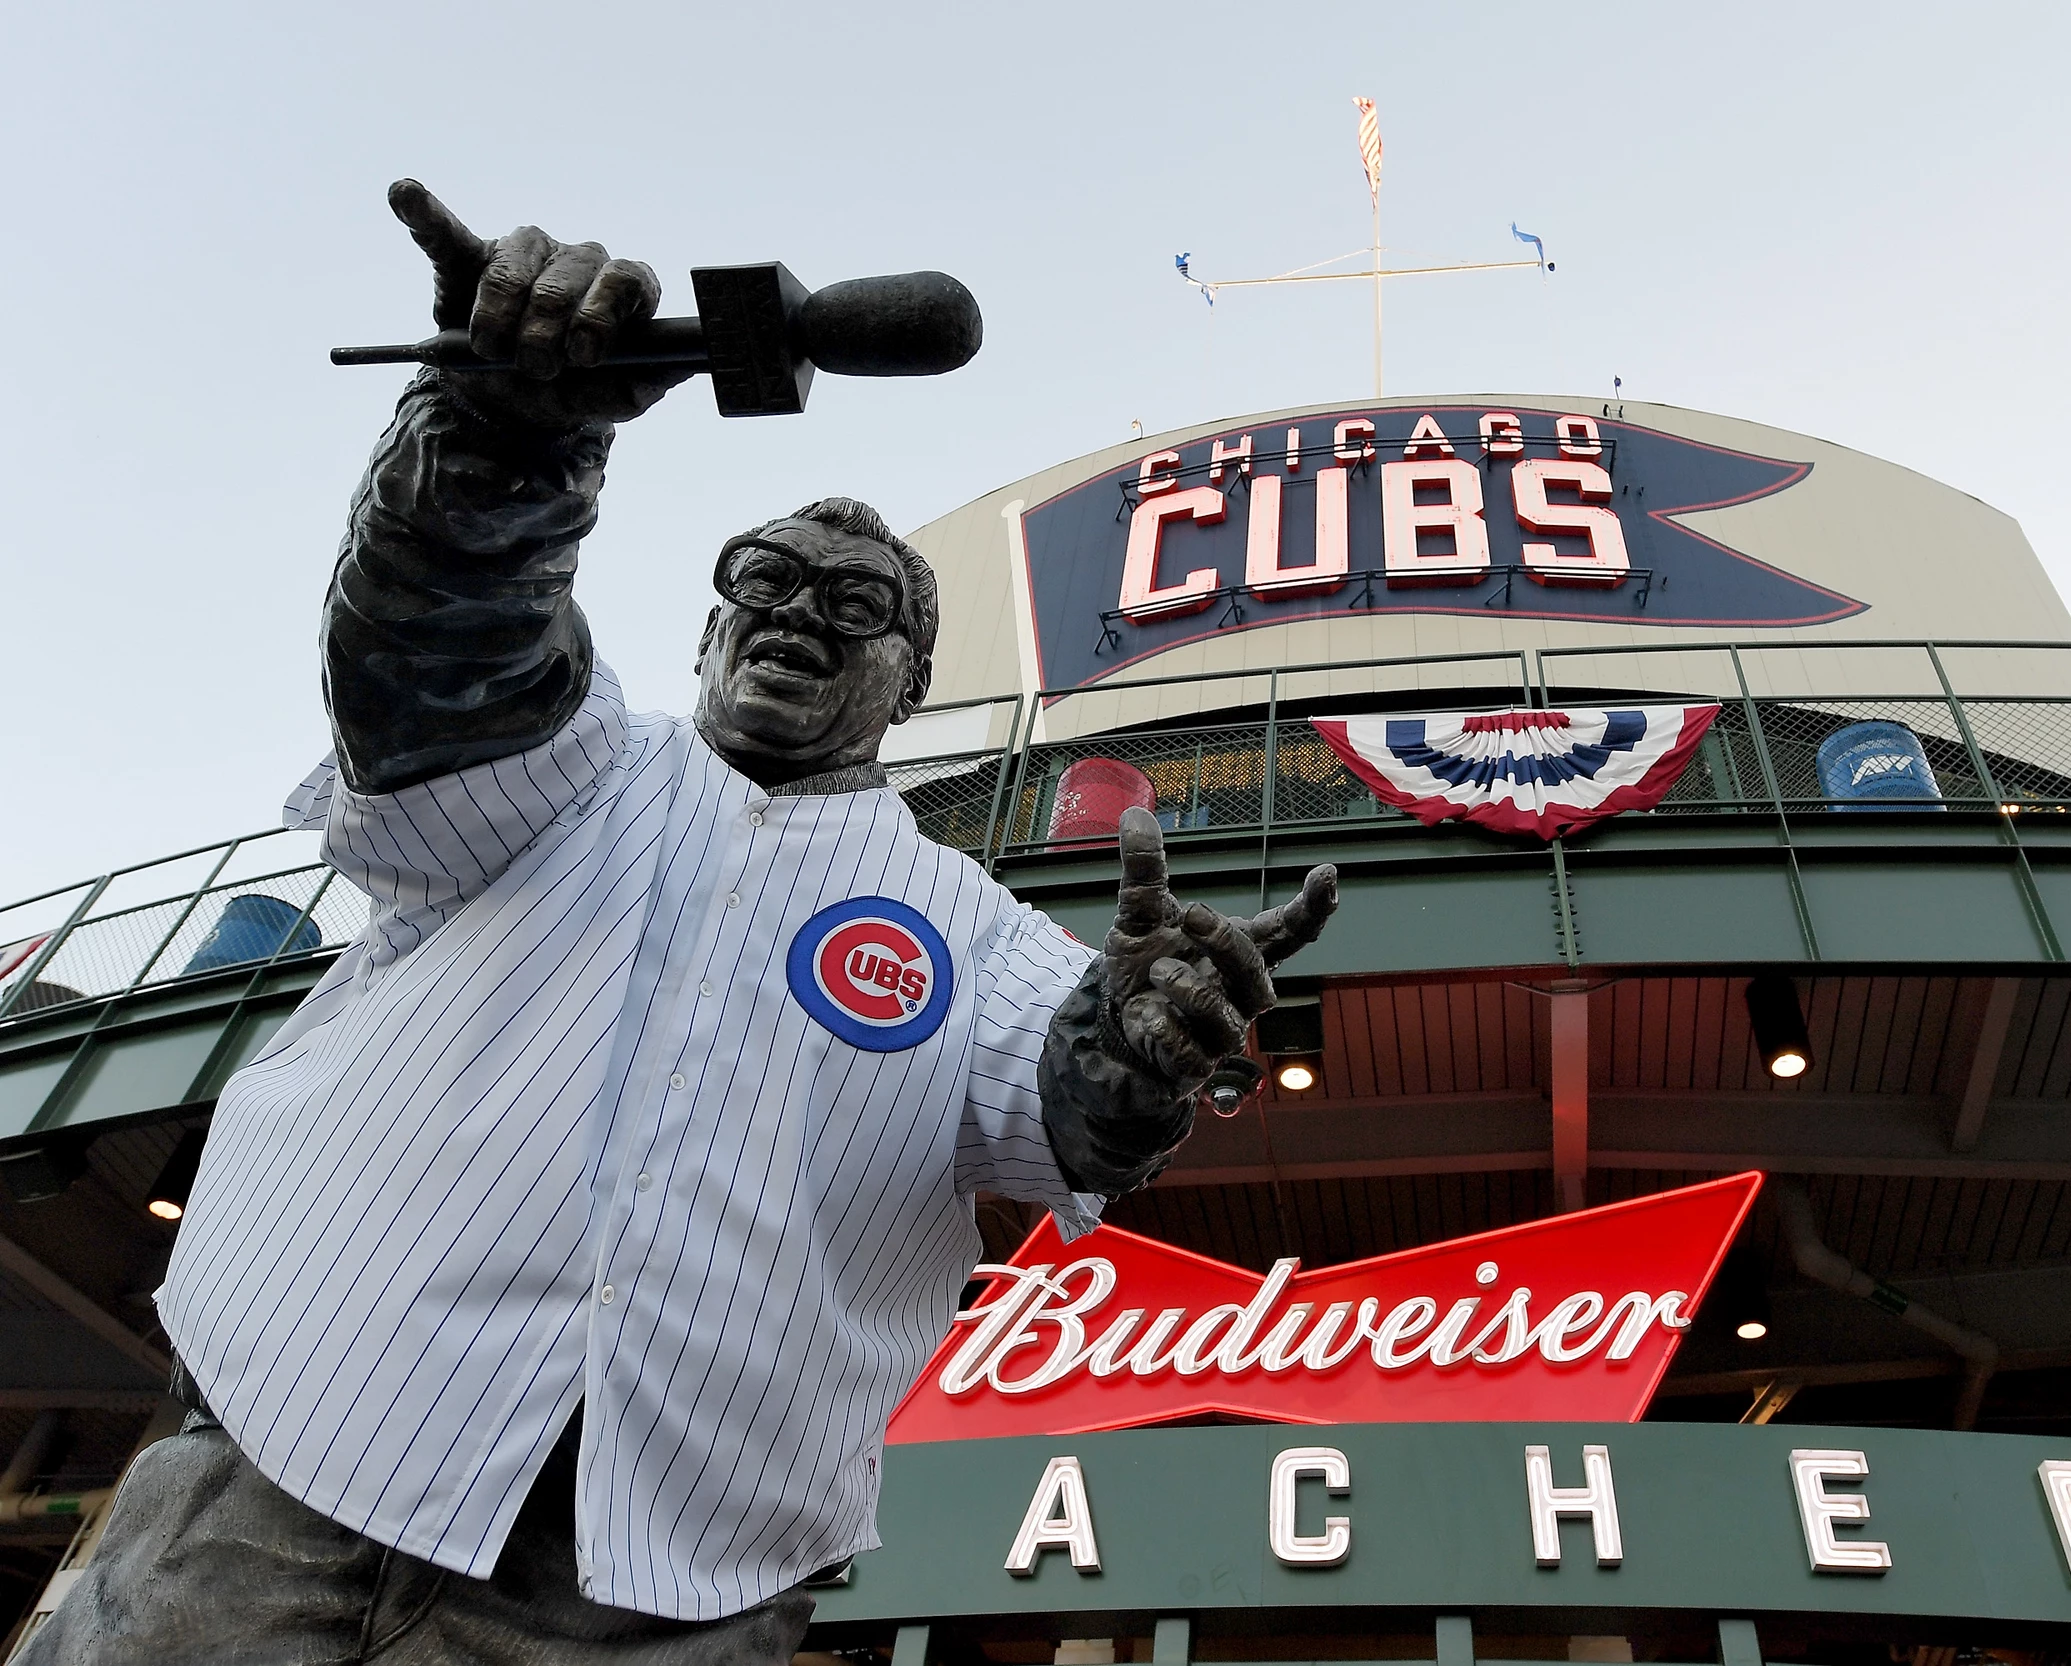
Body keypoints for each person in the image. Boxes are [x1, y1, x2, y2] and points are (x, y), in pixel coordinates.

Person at [27, 182, 1336, 1666]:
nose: (799, 613)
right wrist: (503, 441)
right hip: (280, 1482)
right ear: (709, 628)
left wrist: (1131, 1042)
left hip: (652, 1598)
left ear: (910, 685)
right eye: (763, 582)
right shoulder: (570, 766)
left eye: (856, 604)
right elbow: (442, 644)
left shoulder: (977, 932)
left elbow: (1073, 1099)